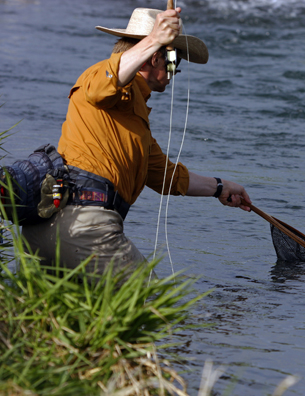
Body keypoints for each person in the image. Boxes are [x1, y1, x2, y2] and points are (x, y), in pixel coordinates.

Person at [21, 7, 251, 274]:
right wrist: (155, 38)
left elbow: (167, 177)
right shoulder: (99, 77)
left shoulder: (135, 121)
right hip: (85, 228)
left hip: (44, 228)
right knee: (151, 305)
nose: (177, 69)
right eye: (174, 59)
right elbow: (103, 86)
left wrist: (220, 187)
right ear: (154, 59)